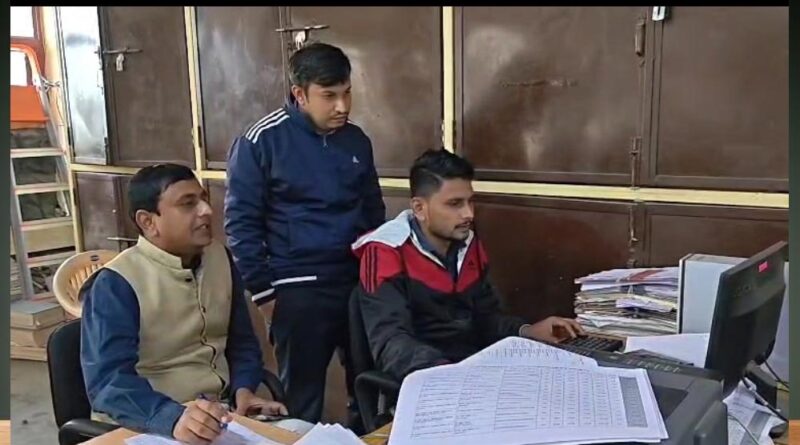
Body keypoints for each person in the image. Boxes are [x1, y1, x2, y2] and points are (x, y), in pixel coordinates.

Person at [224, 42, 385, 424]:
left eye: (347, 93)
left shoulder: (356, 140)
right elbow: (241, 225)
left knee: (368, 391)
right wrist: (265, 295)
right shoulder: (260, 141)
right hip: (296, 288)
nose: (342, 106)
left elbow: (373, 212)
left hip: (355, 283)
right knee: (300, 401)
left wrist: (376, 279)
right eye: (329, 96)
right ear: (299, 94)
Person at [80, 164, 287, 445]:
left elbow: (241, 342)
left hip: (221, 416)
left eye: (204, 199)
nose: (206, 210)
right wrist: (171, 418)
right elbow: (108, 383)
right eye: (188, 204)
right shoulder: (116, 283)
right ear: (148, 222)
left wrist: (244, 389)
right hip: (149, 425)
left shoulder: (220, 258)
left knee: (302, 433)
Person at [352, 149, 585, 381]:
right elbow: (391, 343)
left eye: (470, 202)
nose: (468, 214)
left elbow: (486, 318)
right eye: (454, 204)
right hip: (426, 378)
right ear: (419, 208)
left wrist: (528, 331)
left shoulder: (467, 242)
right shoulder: (386, 251)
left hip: (474, 369)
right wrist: (450, 373)